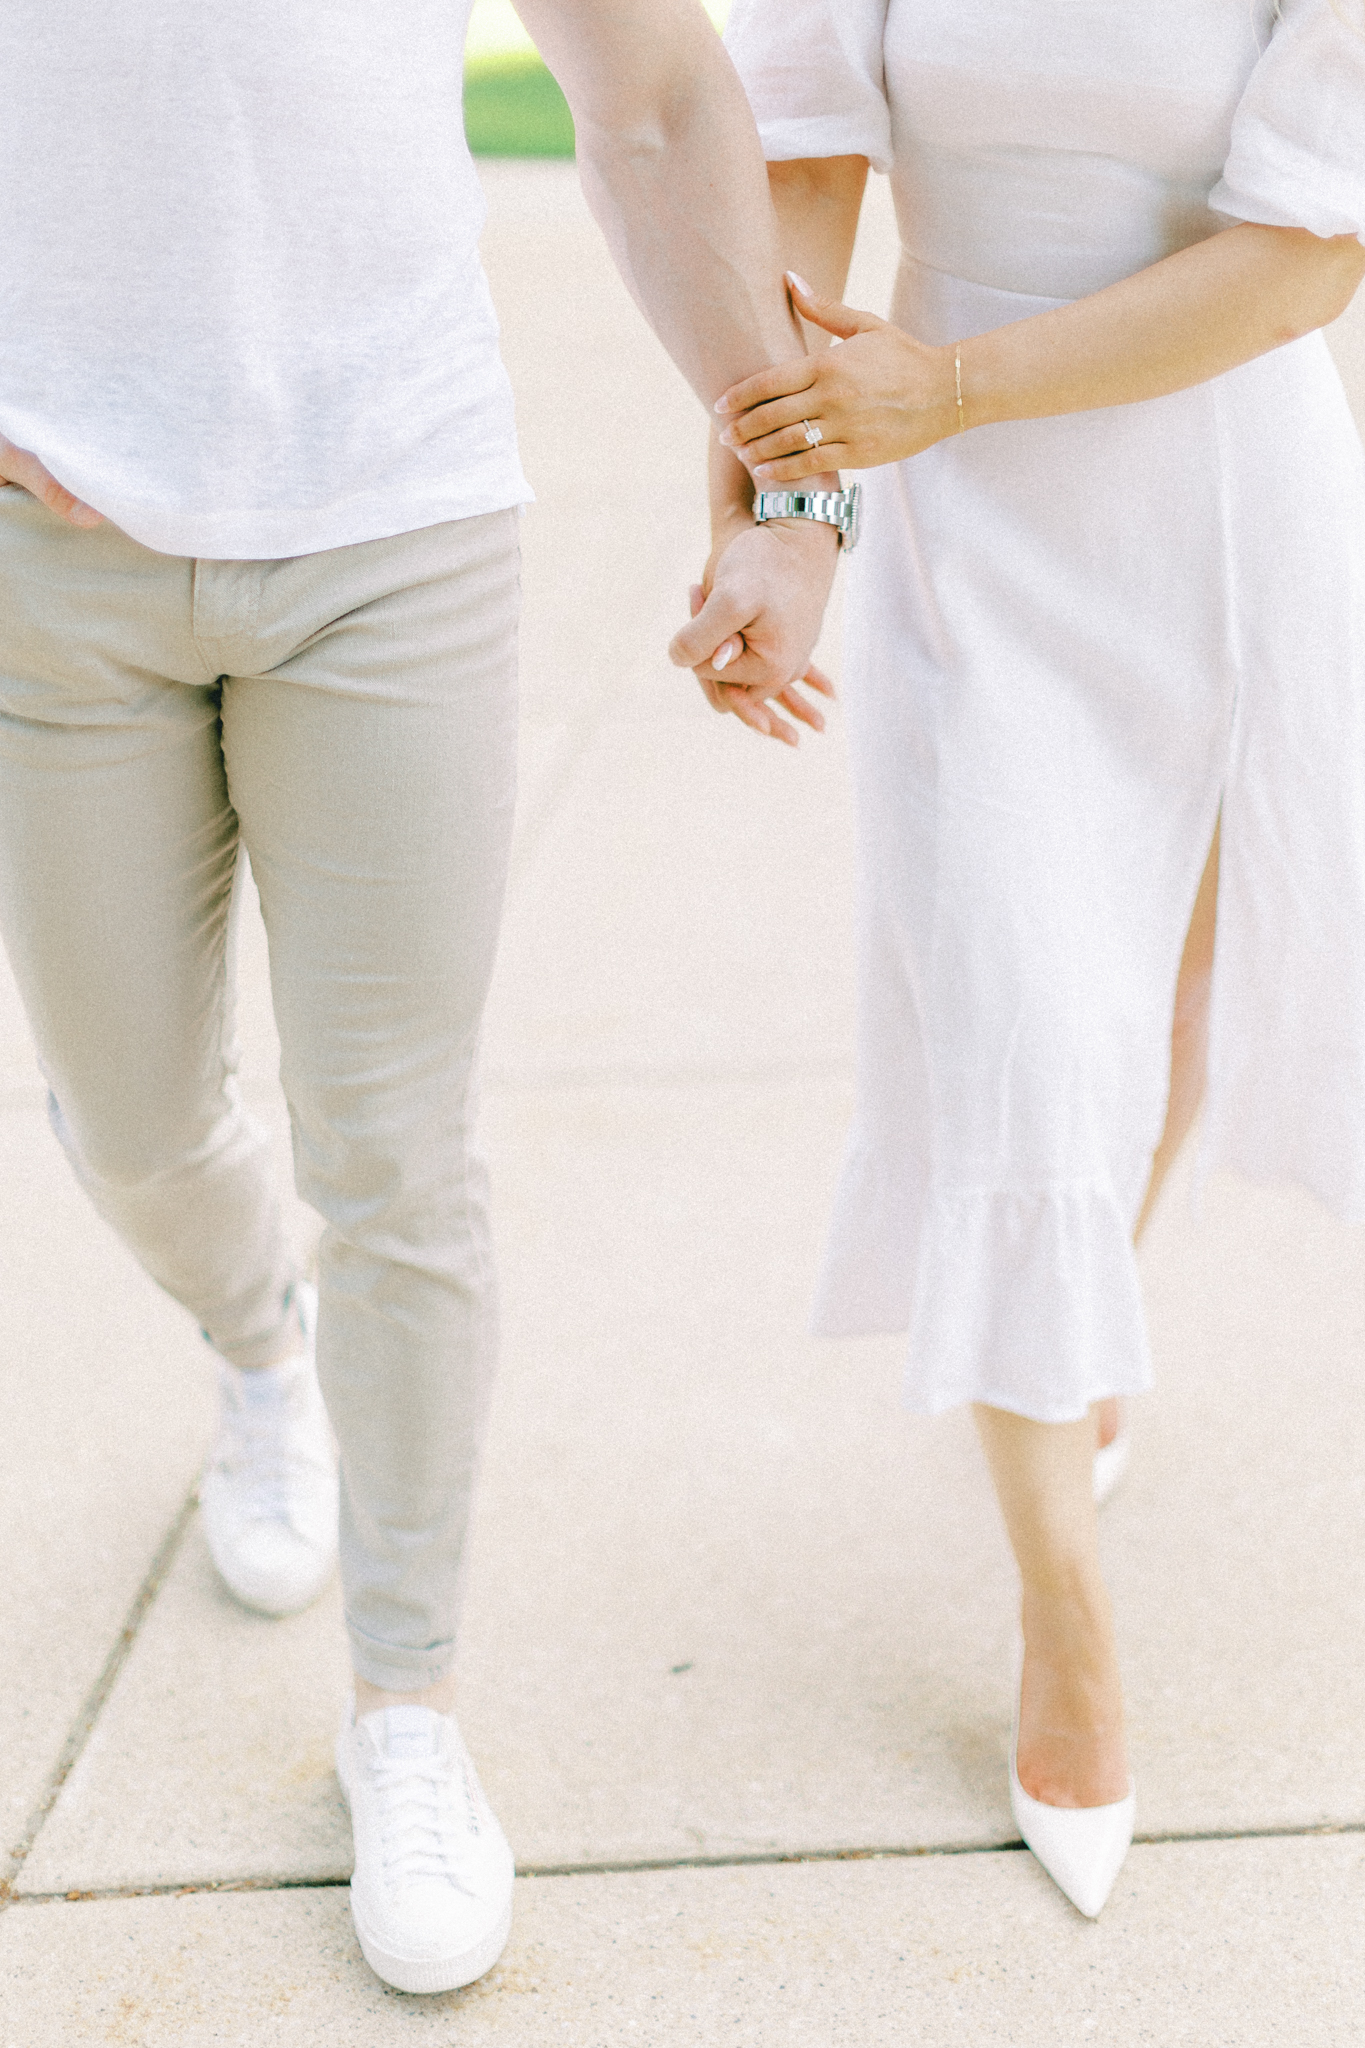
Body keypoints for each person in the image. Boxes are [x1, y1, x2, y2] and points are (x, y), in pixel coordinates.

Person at [0, 0, 842, 1996]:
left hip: (391, 526)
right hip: (51, 552)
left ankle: (408, 1713)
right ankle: (253, 1341)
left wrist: (791, 495)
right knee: (127, 1117)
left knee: (393, 1149)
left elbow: (646, 95)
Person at [671, 0, 1365, 1917]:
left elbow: (1305, 252)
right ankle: (1065, 1616)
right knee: (1025, 1053)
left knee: (1170, 1023)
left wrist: (952, 387)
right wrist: (793, 500)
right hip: (966, 529)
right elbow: (795, 175)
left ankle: (1067, 1342)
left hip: (1226, 510)